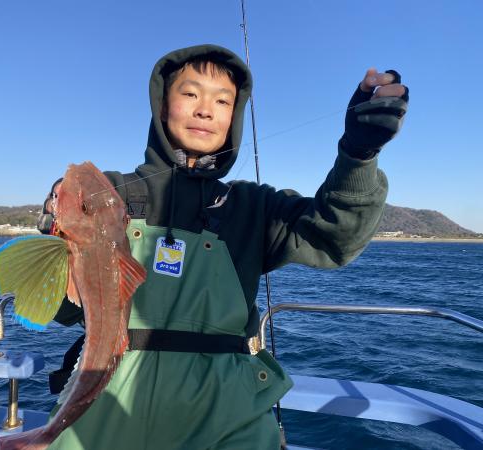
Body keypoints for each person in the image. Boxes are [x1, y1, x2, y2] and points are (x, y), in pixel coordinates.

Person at [38, 44, 408, 449]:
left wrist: (358, 154)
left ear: (235, 116)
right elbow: (61, 310)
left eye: (222, 100)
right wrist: (57, 232)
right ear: (162, 105)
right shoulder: (108, 194)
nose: (205, 110)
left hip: (225, 416)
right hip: (104, 401)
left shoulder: (252, 206)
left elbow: (337, 236)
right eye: (190, 93)